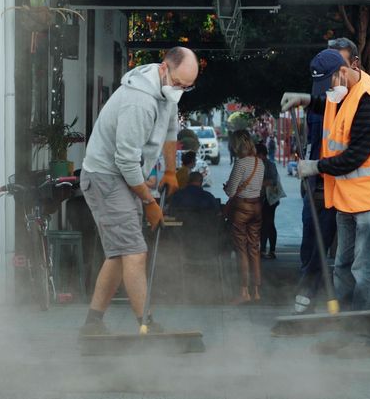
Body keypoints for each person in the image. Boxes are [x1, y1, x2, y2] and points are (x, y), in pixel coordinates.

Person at [284, 48, 370, 356]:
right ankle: (344, 333)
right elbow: (331, 100)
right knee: (343, 268)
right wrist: (306, 99)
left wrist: (315, 167)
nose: (325, 93)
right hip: (349, 197)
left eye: (327, 85)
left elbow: (354, 157)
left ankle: (368, 341)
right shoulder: (340, 92)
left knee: (367, 271)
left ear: (344, 71)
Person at [79, 46, 198, 336]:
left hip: (124, 177)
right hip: (107, 177)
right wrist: (149, 200)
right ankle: (146, 325)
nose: (180, 89)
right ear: (163, 68)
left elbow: (171, 132)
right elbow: (125, 161)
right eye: (178, 83)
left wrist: (170, 171)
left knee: (121, 253)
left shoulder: (167, 93)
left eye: (187, 86)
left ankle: (92, 324)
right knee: (134, 251)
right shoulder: (139, 102)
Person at [282, 38, 358, 315]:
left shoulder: (359, 100)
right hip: (316, 185)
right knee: (311, 242)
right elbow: (320, 112)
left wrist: (318, 167)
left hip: (347, 187)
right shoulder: (325, 99)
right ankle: (308, 299)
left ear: (351, 66)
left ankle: (316, 295)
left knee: (339, 249)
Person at [223, 130, 264, 305]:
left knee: (242, 250)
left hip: (241, 209)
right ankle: (256, 291)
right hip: (256, 207)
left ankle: (244, 291)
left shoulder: (240, 164)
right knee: (254, 249)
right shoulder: (260, 163)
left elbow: (231, 191)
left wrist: (226, 188)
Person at [256, 142, 282, 259]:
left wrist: (260, 183)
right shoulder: (257, 165)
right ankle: (264, 249)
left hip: (270, 199)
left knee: (268, 223)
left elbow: (273, 181)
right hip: (260, 198)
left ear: (261, 154)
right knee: (265, 223)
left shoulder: (270, 165)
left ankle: (267, 250)